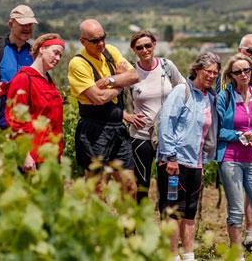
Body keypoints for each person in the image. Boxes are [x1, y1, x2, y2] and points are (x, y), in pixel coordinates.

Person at [157, 52, 220, 261]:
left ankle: (189, 255)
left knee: (190, 210)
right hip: (174, 162)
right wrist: (171, 157)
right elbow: (166, 123)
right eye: (208, 71)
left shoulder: (209, 97)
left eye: (215, 73)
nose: (211, 76)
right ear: (197, 70)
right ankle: (173, 256)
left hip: (196, 162)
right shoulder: (181, 91)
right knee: (173, 209)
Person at [67, 19, 139, 195]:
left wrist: (109, 81)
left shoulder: (111, 51)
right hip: (94, 130)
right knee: (96, 188)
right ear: (83, 41)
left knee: (129, 187)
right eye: (95, 40)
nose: (101, 43)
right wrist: (121, 84)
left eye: (103, 38)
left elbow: (135, 75)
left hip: (118, 129)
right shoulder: (78, 63)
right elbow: (98, 98)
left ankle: (127, 223)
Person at [216, 54, 252, 252]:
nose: (243, 74)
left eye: (246, 70)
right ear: (231, 75)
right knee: (236, 212)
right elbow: (217, 130)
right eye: (238, 71)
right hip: (231, 159)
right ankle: (237, 253)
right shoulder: (225, 96)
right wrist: (238, 135)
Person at [125, 31, 185, 203]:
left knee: (167, 188)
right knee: (141, 187)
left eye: (148, 45)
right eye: (139, 47)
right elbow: (113, 99)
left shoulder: (167, 66)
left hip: (167, 138)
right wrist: (126, 116)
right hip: (140, 137)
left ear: (154, 44)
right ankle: (139, 227)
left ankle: (166, 228)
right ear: (134, 50)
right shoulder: (131, 72)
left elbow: (183, 91)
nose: (144, 50)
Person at [5, 33, 65, 170]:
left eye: (60, 55)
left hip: (51, 155)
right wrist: (26, 155)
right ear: (42, 49)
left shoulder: (48, 80)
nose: (58, 58)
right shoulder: (24, 78)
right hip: (34, 157)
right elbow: (15, 120)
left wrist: (59, 153)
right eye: (55, 53)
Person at [0, 5, 38, 131]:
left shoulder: (33, 53)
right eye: (23, 24)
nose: (27, 28)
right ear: (11, 25)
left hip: (21, 119)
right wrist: (21, 90)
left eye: (30, 24)